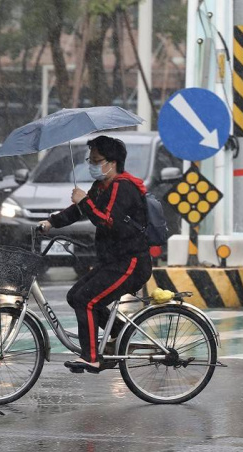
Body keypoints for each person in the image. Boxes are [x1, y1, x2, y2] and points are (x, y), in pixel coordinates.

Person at [38, 135, 152, 373]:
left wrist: (86, 201)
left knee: (86, 300)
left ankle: (91, 357)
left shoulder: (124, 187)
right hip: (112, 261)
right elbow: (78, 211)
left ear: (112, 162)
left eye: (97, 160)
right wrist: (51, 222)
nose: (92, 164)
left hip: (130, 263)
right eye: (90, 159)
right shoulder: (102, 186)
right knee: (74, 296)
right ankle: (121, 334)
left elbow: (108, 222)